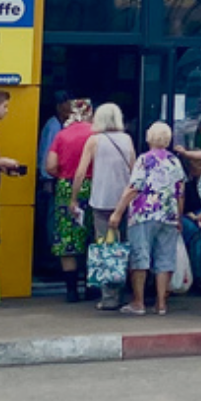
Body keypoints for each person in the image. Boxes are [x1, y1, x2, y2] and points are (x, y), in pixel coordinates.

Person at [111, 122, 187, 317]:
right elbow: (180, 192)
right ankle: (161, 304)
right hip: (169, 215)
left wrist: (118, 212)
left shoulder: (144, 160)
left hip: (143, 214)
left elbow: (134, 188)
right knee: (165, 258)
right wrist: (178, 217)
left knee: (140, 255)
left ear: (149, 137)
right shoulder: (174, 161)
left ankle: (139, 302)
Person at [72, 103, 137, 310]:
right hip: (125, 201)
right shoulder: (127, 140)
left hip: (101, 201)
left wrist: (74, 198)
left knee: (105, 247)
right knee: (124, 246)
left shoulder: (94, 140)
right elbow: (134, 170)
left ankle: (109, 297)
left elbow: (81, 172)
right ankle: (127, 292)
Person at [47, 99, 96, 301]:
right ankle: (92, 288)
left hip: (67, 187)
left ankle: (71, 291)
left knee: (67, 236)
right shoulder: (96, 134)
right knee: (93, 234)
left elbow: (50, 166)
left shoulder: (62, 135)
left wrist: (63, 174)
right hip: (94, 185)